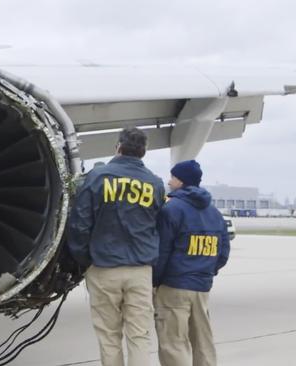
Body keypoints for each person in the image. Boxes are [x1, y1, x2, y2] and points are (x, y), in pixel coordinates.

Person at [67, 127, 165, 366]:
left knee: (109, 337)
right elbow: (159, 224)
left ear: (118, 147)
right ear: (144, 151)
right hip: (140, 269)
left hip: (103, 267)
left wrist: (84, 260)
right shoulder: (155, 183)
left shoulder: (98, 178)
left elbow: (79, 224)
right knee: (139, 335)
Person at [152, 160, 230, 366]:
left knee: (173, 344)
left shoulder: (172, 209)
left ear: (180, 180)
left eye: (172, 177)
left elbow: (162, 251)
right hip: (202, 287)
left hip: (174, 286)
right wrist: (206, 272)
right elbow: (223, 254)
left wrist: (156, 281)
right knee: (203, 343)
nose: (169, 182)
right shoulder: (214, 213)